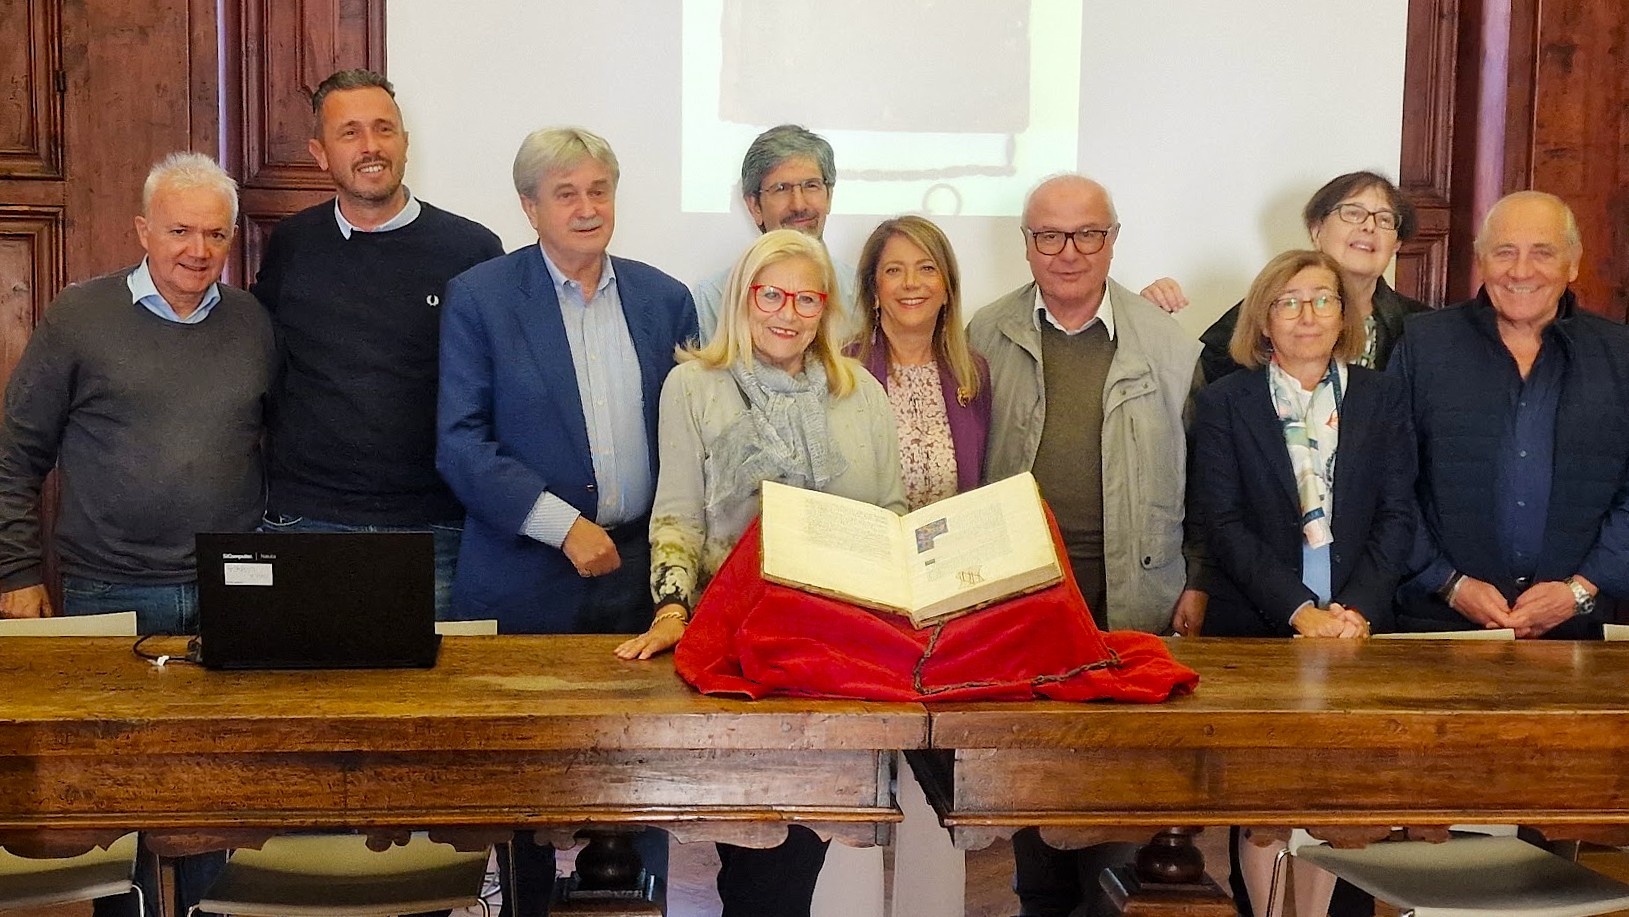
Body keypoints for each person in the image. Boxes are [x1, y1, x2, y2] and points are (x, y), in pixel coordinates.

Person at [0, 151, 273, 917]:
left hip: (231, 591)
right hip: (108, 590)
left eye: (214, 233)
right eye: (180, 230)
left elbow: (279, 444)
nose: (197, 249)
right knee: (117, 781)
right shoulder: (79, 316)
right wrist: (16, 572)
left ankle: (207, 910)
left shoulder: (253, 322)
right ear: (143, 230)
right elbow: (15, 454)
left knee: (218, 783)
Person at [436, 126, 695, 916]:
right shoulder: (481, 296)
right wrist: (562, 525)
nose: (586, 208)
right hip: (523, 580)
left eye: (598, 190)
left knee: (640, 783)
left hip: (638, 581)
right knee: (519, 792)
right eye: (565, 194)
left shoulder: (664, 299)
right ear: (529, 206)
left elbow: (691, 438)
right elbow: (460, 444)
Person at [615, 229, 905, 917]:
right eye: (771, 294)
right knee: (753, 852)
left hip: (836, 654)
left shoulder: (861, 390)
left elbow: (891, 512)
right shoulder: (694, 385)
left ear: (825, 307)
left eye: (807, 298)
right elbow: (678, 515)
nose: (788, 312)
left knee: (799, 852)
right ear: (743, 298)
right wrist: (671, 608)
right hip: (737, 652)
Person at [968, 173, 1204, 917]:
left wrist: (1197, 578)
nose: (1068, 252)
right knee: (1035, 779)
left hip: (1135, 597)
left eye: (1087, 234)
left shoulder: (1167, 343)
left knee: (1121, 800)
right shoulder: (983, 334)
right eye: (1049, 235)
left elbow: (1206, 474)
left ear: (1113, 239)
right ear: (1026, 244)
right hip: (1027, 599)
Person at [1189, 249, 1419, 917]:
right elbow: (1221, 521)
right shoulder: (1226, 401)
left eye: (1322, 299)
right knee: (1264, 799)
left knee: (1332, 794)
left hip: (1355, 632)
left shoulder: (1381, 396)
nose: (1307, 315)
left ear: (1344, 315)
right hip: (1259, 627)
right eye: (1287, 302)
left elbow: (1397, 513)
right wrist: (1298, 611)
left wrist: (1357, 610)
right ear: (1263, 320)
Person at [253, 69, 503, 617]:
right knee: (297, 673)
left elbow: (497, 390)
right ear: (320, 154)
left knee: (433, 675)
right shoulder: (291, 245)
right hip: (305, 521)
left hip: (434, 526)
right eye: (350, 133)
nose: (371, 146)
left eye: (384, 129)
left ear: (405, 142)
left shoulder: (472, 250)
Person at [1392, 190, 1629, 638]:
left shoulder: (1621, 354)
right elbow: (1389, 482)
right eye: (1504, 252)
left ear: (1573, 263)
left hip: (1580, 629)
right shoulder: (1423, 346)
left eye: (1542, 252)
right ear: (1481, 260)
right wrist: (1447, 582)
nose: (1521, 271)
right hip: (1439, 625)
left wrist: (1580, 590)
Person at [1143, 171, 1430, 383]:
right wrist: (1147, 321)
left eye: (1385, 219)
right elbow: (1195, 384)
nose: (1369, 227)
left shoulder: (1421, 327)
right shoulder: (1270, 307)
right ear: (1316, 231)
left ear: (1396, 244)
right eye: (1353, 213)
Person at [851, 215, 990, 508]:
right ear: (874, 290)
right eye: (894, 270)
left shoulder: (972, 372)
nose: (911, 283)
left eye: (927, 268)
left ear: (947, 289)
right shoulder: (843, 371)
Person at [693, 124, 860, 344]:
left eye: (811, 186)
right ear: (754, 206)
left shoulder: (860, 292)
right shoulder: (716, 297)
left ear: (828, 196)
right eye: (781, 188)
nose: (799, 205)